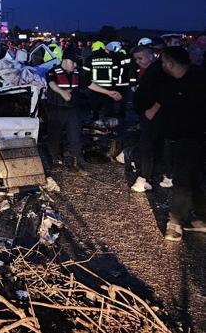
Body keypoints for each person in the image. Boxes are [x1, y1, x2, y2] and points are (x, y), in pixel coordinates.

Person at [156, 47, 206, 241]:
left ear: (170, 63)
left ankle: (175, 223)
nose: (162, 66)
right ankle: (201, 218)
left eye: (163, 62)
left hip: (190, 138)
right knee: (197, 179)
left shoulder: (189, 83)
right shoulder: (197, 76)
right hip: (188, 137)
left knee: (183, 181)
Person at [127, 45, 164, 192]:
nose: (138, 61)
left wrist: (153, 110)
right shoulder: (145, 70)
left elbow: (164, 93)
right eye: (136, 59)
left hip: (153, 114)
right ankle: (158, 174)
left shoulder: (158, 71)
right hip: (146, 112)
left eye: (140, 58)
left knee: (147, 145)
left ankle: (145, 178)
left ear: (151, 55)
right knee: (151, 145)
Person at [45, 52, 88, 174]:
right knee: (54, 135)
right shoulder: (53, 71)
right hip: (56, 109)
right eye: (73, 62)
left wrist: (108, 92)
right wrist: (62, 92)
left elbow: (88, 84)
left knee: (75, 136)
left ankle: (76, 163)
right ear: (65, 60)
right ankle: (54, 159)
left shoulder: (77, 72)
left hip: (73, 109)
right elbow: (51, 83)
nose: (75, 65)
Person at [82, 41, 122, 120]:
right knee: (108, 108)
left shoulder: (90, 59)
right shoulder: (112, 59)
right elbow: (116, 73)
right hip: (108, 88)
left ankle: (96, 122)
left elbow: (85, 74)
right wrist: (113, 84)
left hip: (95, 88)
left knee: (95, 108)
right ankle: (109, 125)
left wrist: (87, 85)